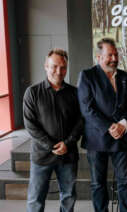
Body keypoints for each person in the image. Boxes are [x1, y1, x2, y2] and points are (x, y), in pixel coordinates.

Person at [78, 38, 127, 212]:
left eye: (116, 54)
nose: (114, 58)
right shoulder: (87, 75)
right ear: (98, 57)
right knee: (98, 183)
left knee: (125, 181)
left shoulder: (125, 77)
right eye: (109, 54)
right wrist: (110, 127)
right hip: (97, 139)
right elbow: (86, 108)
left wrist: (123, 124)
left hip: (122, 137)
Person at [24, 48, 83, 212]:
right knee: (35, 200)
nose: (59, 71)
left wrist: (68, 143)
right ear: (46, 66)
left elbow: (81, 122)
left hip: (68, 155)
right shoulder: (33, 93)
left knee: (68, 197)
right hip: (42, 156)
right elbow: (31, 125)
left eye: (63, 67)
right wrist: (52, 145)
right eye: (54, 66)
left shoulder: (75, 93)